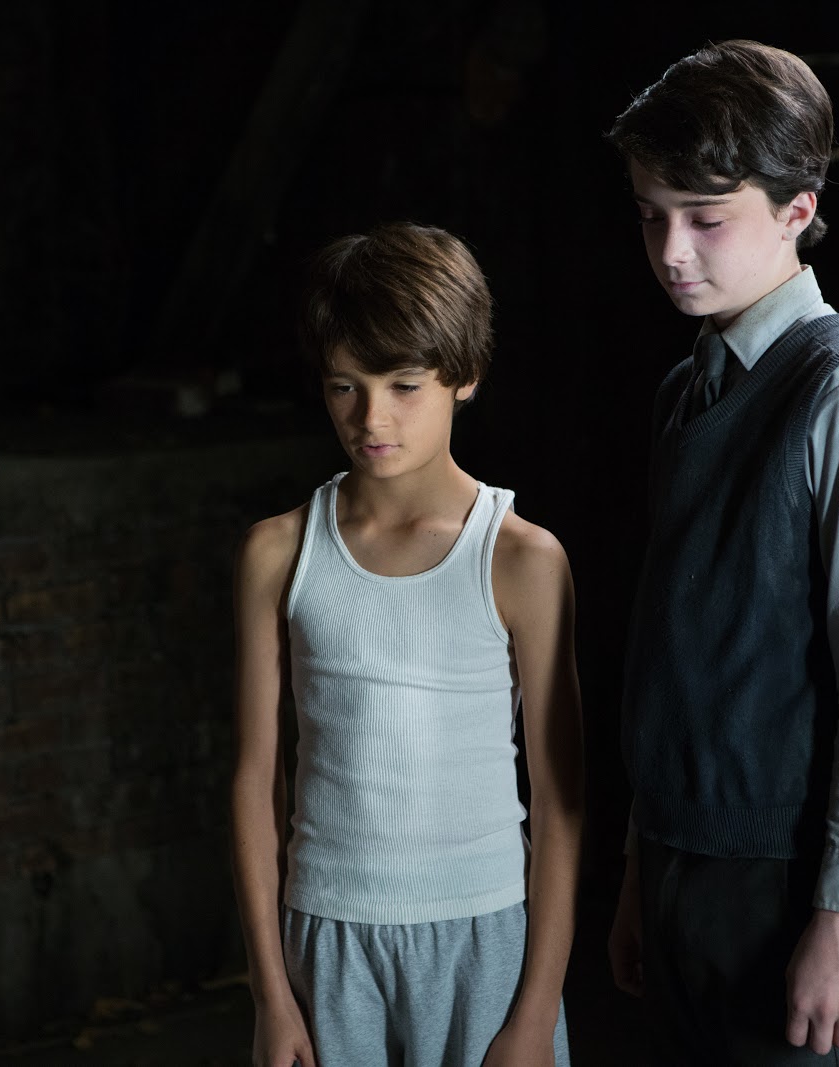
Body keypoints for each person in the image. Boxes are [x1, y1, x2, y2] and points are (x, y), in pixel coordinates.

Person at [603, 40, 839, 1064]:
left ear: (797, 209)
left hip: (784, 885)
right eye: (651, 214)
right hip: (676, 863)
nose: (672, 250)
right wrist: (640, 871)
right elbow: (675, 657)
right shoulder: (686, 388)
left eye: (706, 218)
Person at [230, 222, 584, 1067]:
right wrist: (270, 995)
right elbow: (254, 778)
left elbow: (561, 801)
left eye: (404, 385)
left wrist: (535, 1014)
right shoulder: (278, 552)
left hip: (484, 940)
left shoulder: (521, 558)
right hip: (326, 939)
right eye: (344, 387)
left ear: (465, 375)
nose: (371, 418)